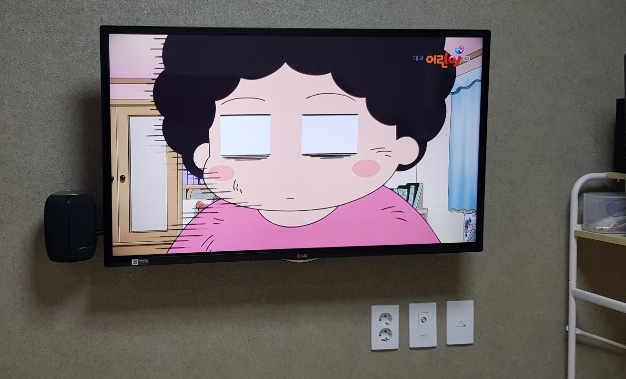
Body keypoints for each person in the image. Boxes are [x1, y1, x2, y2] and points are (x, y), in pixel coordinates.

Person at [152, 33, 456, 253]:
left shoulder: (395, 221)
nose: (287, 165)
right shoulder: (211, 228)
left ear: (403, 147)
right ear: (203, 152)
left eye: (332, 133)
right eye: (246, 135)